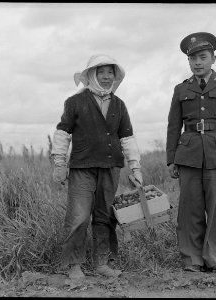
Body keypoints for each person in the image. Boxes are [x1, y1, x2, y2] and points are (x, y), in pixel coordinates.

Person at [51, 54, 143, 279]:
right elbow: (63, 133)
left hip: (111, 167)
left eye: (110, 72)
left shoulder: (119, 104)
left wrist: (136, 167)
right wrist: (59, 164)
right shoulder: (75, 102)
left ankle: (101, 263)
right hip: (82, 167)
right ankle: (74, 264)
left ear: (114, 76)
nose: (105, 77)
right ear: (91, 75)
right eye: (100, 72)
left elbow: (127, 138)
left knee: (104, 216)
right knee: (79, 216)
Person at [166, 32, 216, 273]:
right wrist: (171, 159)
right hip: (188, 156)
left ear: (213, 58)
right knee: (189, 211)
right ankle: (192, 260)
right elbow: (173, 126)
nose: (197, 63)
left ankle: (214, 258)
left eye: (202, 57)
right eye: (193, 59)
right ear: (188, 62)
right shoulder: (181, 89)